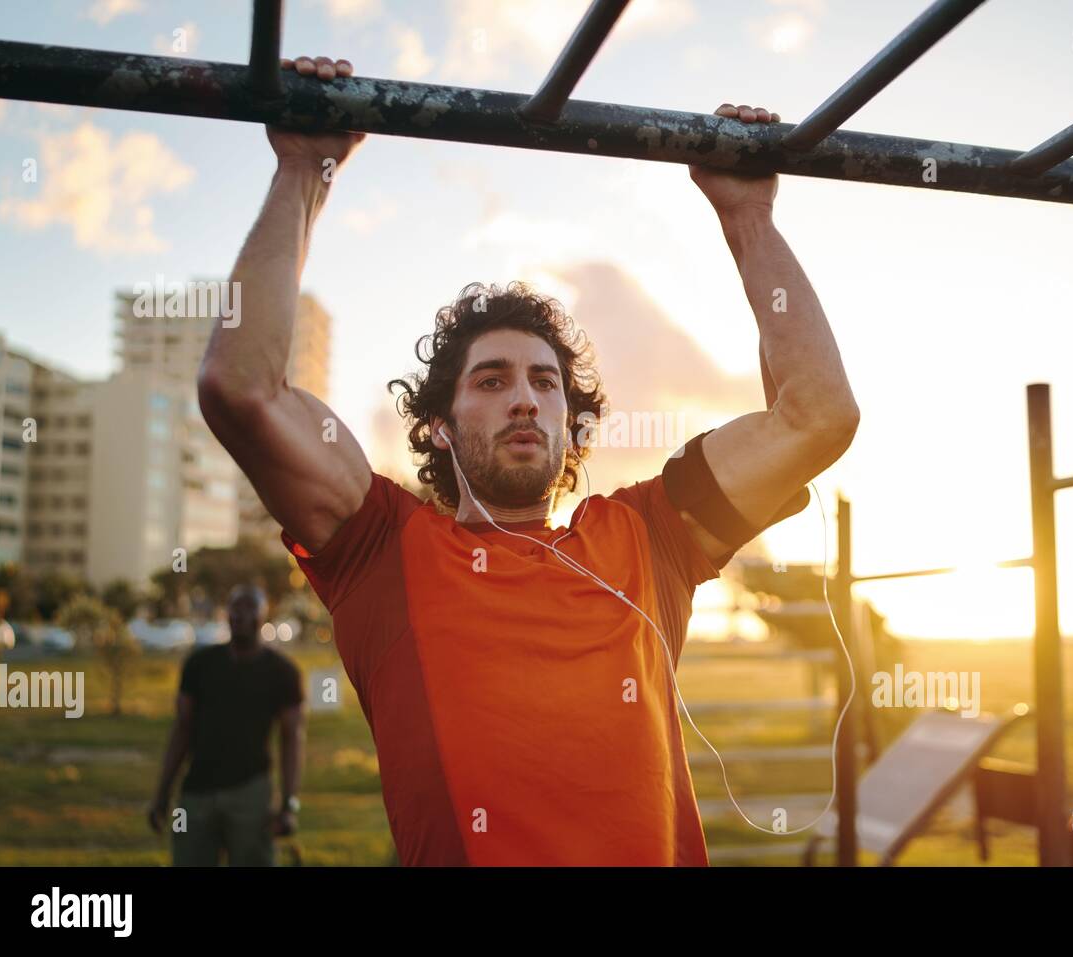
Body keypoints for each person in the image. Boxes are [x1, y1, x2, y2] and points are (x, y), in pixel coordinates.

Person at [197, 55, 860, 865]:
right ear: (439, 425)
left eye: (545, 382)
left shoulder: (649, 538)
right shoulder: (382, 547)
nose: (524, 397)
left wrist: (748, 219)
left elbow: (817, 414)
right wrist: (306, 168)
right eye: (492, 379)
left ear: (570, 423)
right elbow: (242, 387)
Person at [147, 585, 305, 866]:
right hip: (197, 792)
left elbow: (291, 739)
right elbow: (182, 729)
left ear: (263, 616)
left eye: (249, 608)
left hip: (251, 794)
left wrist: (289, 804)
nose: (241, 615)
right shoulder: (200, 664)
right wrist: (162, 793)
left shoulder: (282, 672)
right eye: (235, 608)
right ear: (226, 614)